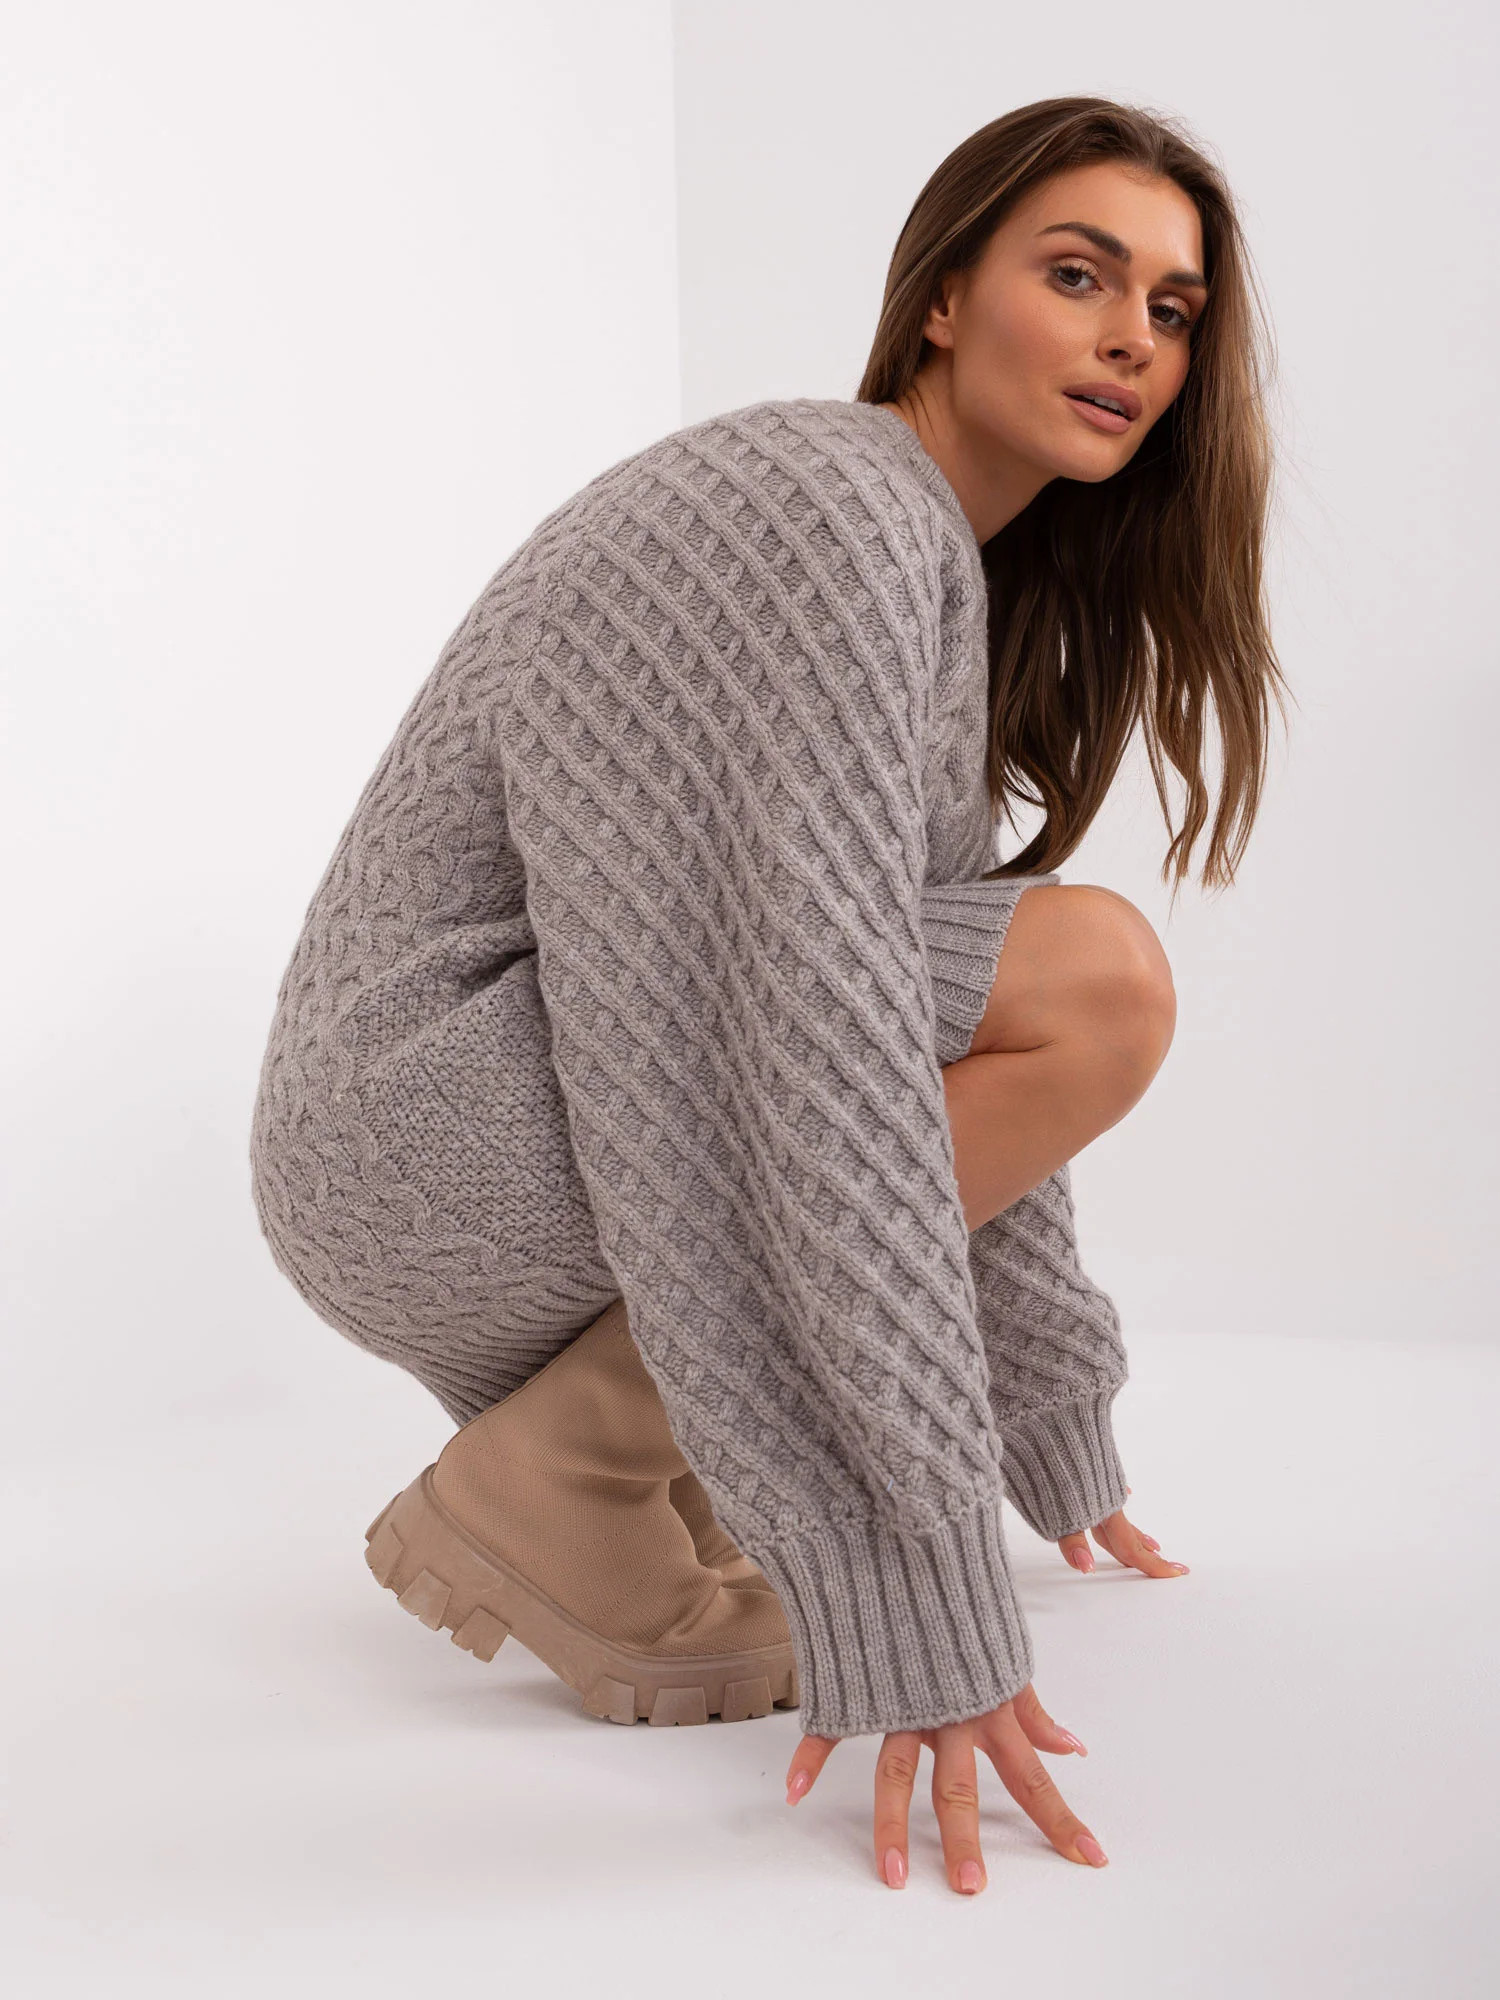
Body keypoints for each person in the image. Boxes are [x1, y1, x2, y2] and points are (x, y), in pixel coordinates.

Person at [248, 94, 1287, 1897]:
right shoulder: (830, 506)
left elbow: (885, 1007)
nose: (1134, 335)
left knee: (1046, 968)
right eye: (1078, 274)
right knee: (1099, 977)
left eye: (1174, 309)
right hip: (421, 1131)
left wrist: (1043, 1404)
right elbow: (804, 1049)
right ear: (942, 299)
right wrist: (915, 1579)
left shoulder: (920, 559)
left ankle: (599, 1458)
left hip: (460, 1130)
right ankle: (572, 1476)